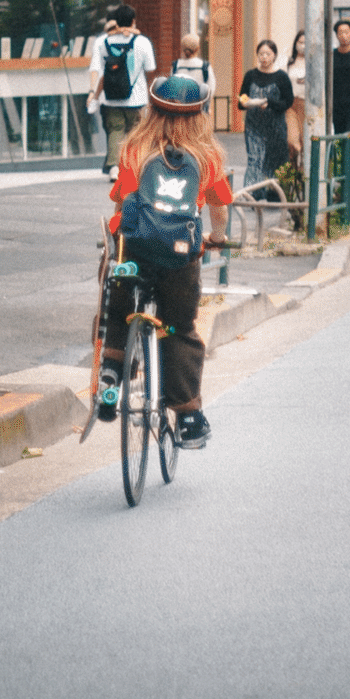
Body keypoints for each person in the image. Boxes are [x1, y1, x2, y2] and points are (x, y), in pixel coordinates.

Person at [98, 75, 233, 449]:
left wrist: (119, 235)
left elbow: (121, 203)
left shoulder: (135, 148)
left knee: (118, 303)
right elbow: (219, 212)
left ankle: (111, 369)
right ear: (199, 114)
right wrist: (216, 240)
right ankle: (188, 415)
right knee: (178, 328)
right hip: (179, 256)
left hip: (134, 249)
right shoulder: (206, 156)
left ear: (151, 110)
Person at [88, 4, 156, 180]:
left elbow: (97, 69)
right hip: (137, 98)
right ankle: (134, 168)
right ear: (133, 21)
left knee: (115, 131)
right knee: (136, 133)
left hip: (109, 98)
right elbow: (151, 69)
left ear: (115, 22)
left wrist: (93, 94)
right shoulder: (142, 42)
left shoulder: (102, 42)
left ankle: (114, 169)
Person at [238, 39, 293, 189]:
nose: (264, 57)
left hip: (275, 126)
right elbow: (242, 97)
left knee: (275, 160)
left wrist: (270, 103)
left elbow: (288, 102)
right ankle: (252, 193)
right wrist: (244, 102)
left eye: (267, 54)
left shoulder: (281, 76)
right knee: (254, 159)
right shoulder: (250, 75)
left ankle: (275, 193)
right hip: (253, 126)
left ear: (274, 55)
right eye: (261, 54)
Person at [170, 32, 215, 114]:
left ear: (182, 48)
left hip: (180, 110)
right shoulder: (204, 66)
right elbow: (210, 89)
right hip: (199, 109)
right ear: (198, 48)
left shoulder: (176, 66)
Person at [285, 31, 306, 164]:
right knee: (292, 141)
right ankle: (292, 169)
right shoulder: (289, 61)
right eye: (300, 42)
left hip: (306, 103)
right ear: (295, 43)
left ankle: (303, 174)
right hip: (291, 103)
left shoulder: (314, 62)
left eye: (306, 43)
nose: (303, 45)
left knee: (306, 140)